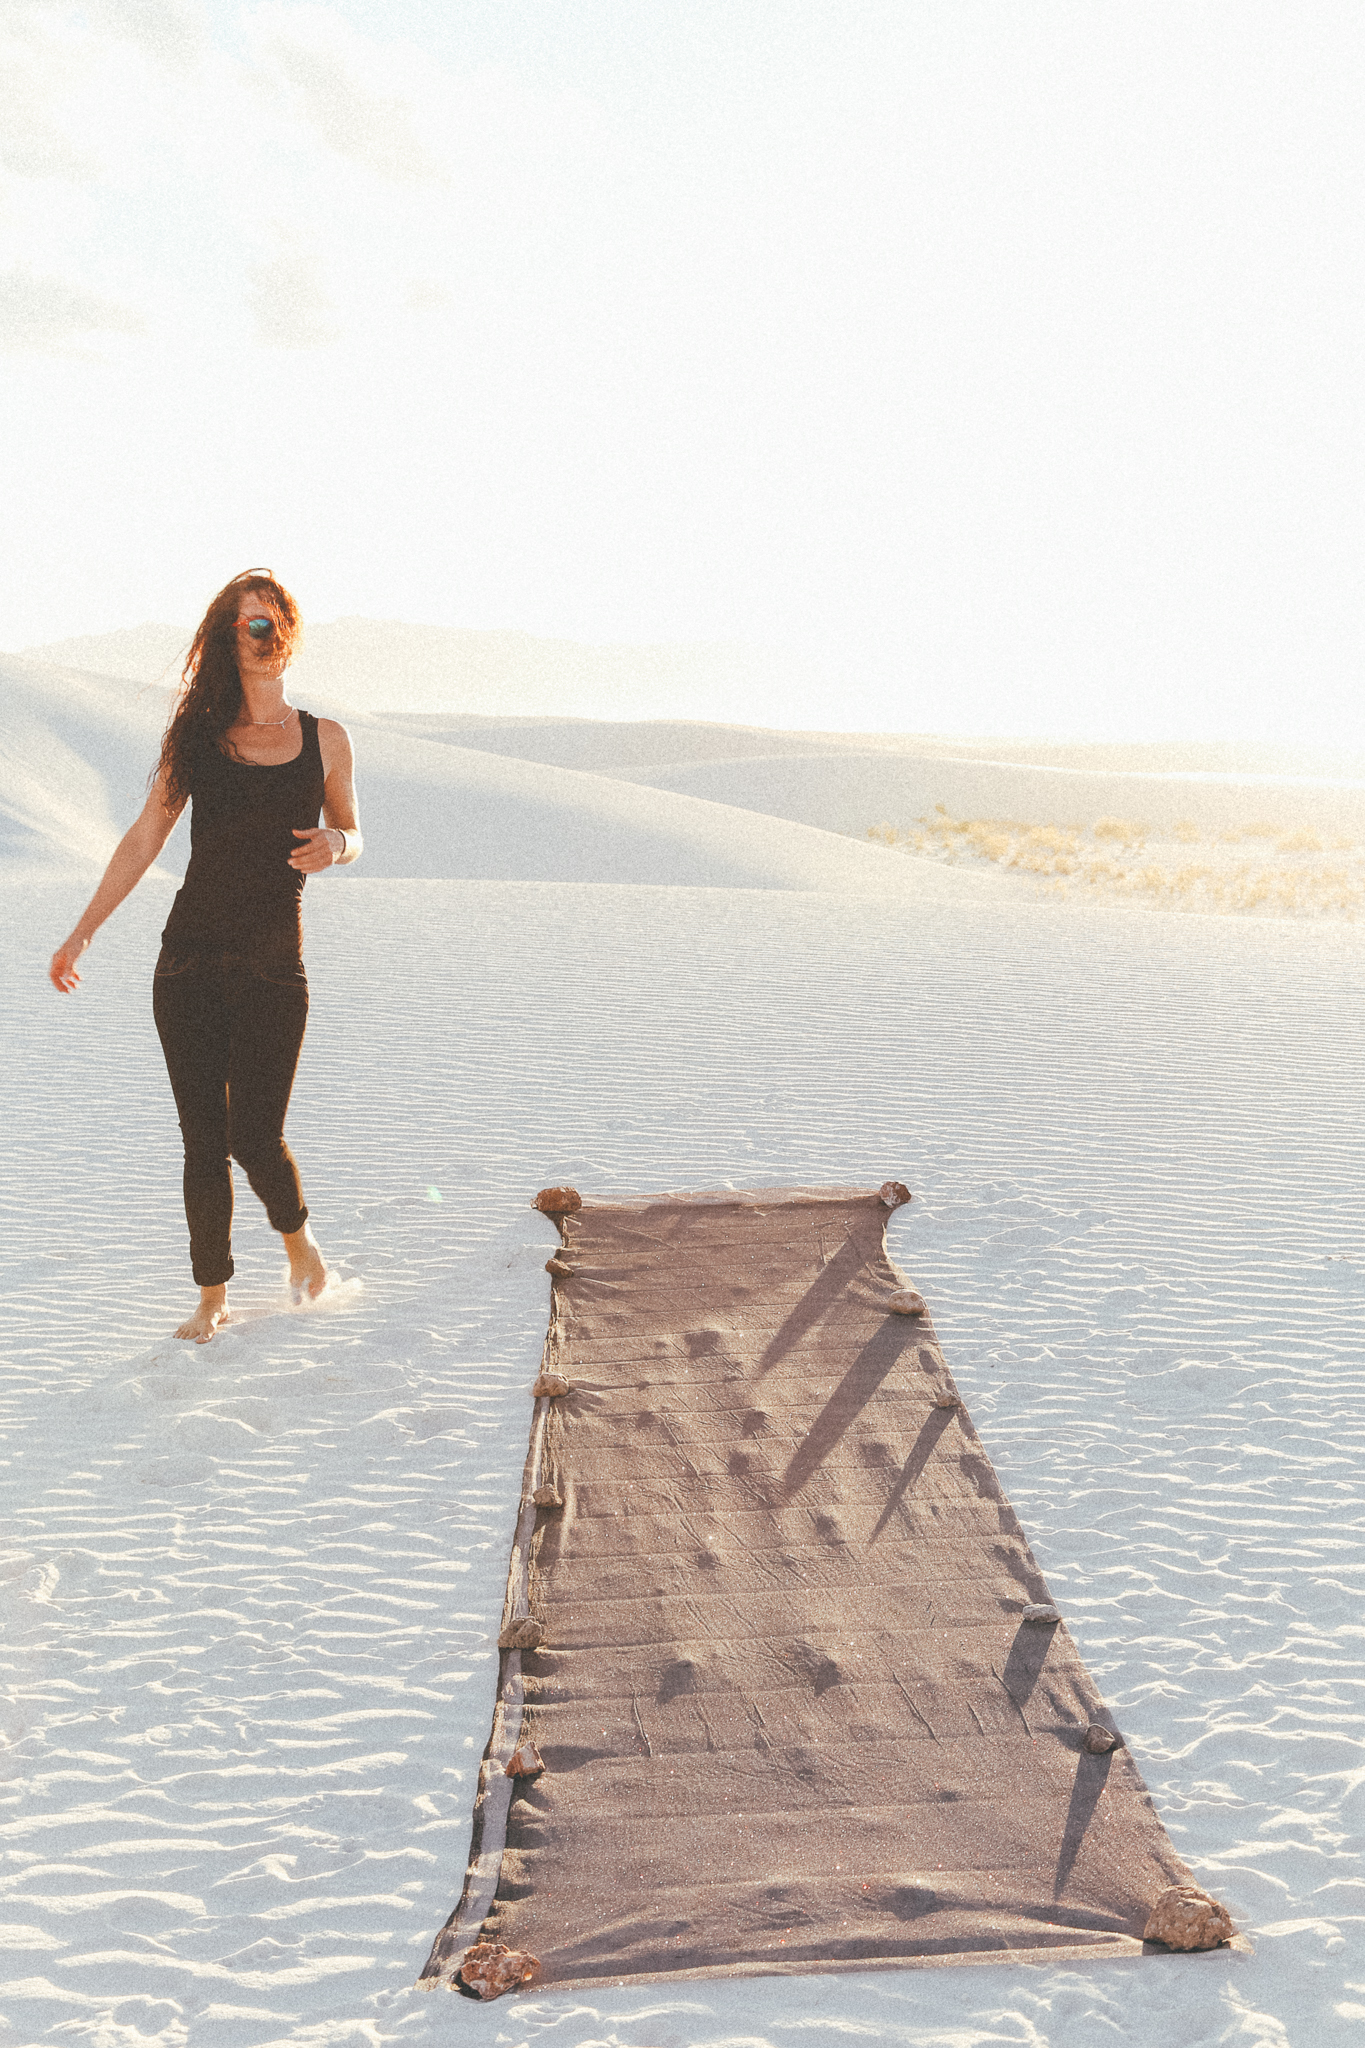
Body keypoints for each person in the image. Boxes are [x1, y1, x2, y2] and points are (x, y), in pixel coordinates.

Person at [48, 569, 363, 1343]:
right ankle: (213, 1294)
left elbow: (354, 831)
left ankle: (301, 1245)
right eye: (234, 629)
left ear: (285, 627)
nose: (248, 640)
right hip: (187, 962)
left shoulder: (325, 738)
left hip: (272, 968)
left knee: (254, 1134)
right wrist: (85, 929)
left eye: (259, 624)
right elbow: (144, 837)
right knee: (202, 1141)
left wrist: (338, 843)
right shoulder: (199, 738)